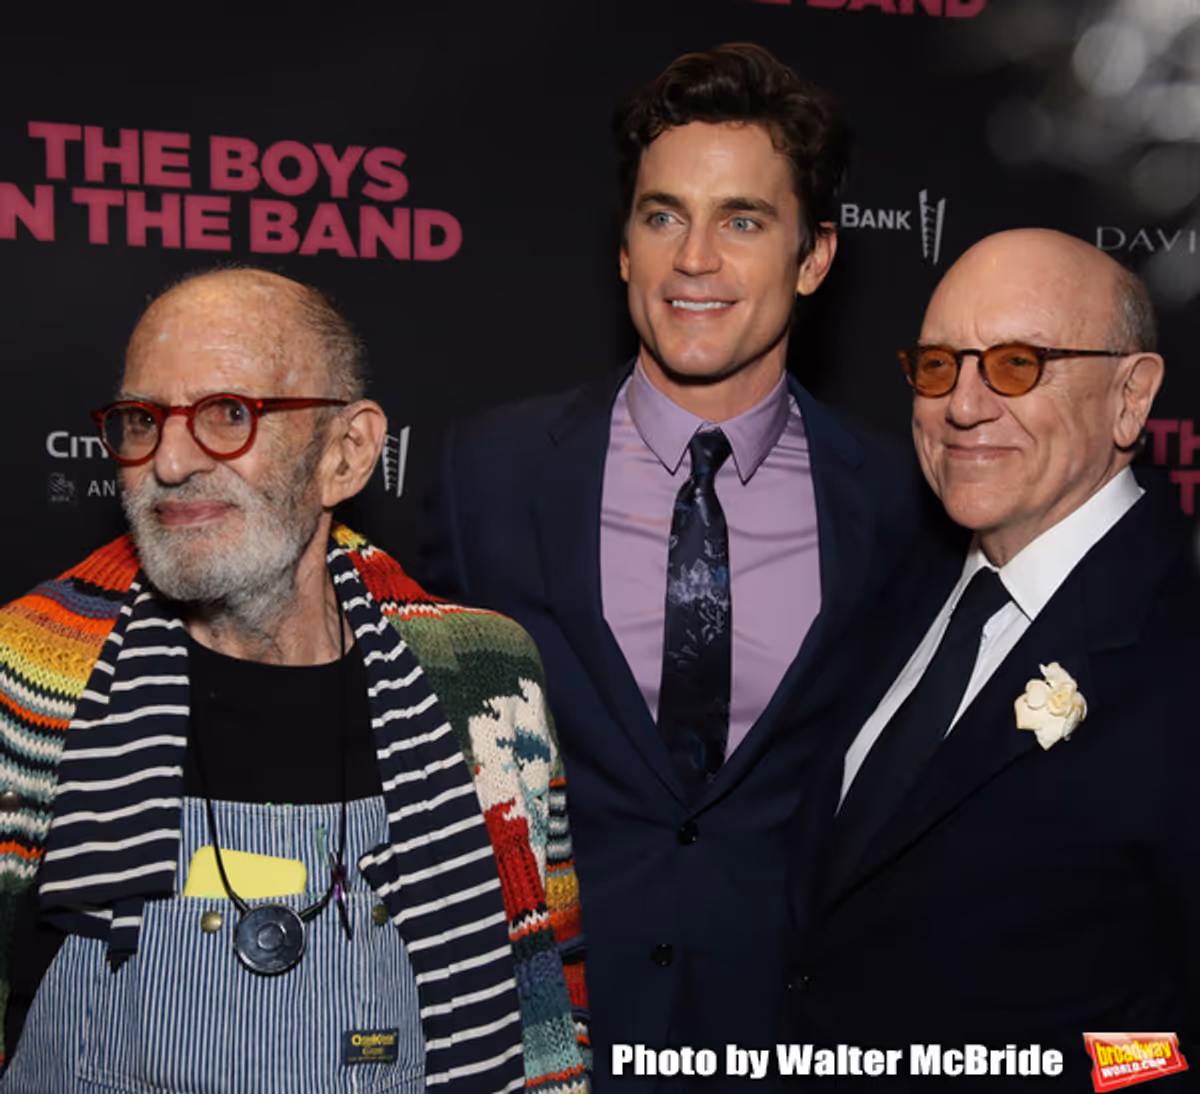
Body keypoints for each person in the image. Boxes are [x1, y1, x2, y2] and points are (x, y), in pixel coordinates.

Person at [421, 43, 943, 1087]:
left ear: (815, 257)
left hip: (801, 1034)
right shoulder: (489, 472)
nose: (693, 259)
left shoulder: (901, 499)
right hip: (543, 1040)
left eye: (742, 220)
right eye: (663, 216)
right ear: (623, 248)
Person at [0, 269, 588, 1093]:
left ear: (345, 453)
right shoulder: (26, 679)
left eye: (228, 415)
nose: (167, 462)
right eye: (142, 421)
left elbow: (546, 993)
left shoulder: (483, 682)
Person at [782, 229, 1199, 1089]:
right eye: (938, 365)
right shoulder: (902, 585)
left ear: (1131, 396)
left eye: (1015, 364)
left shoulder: (1179, 642)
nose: (962, 405)